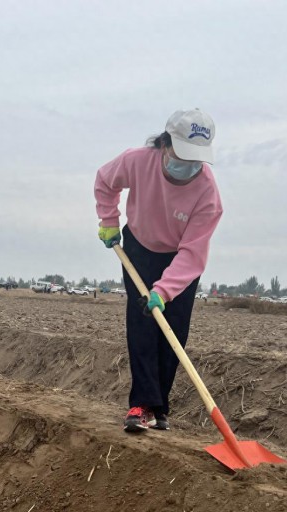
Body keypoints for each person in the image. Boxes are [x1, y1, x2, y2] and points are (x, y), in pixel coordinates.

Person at [94, 108, 223, 433]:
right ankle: (140, 405)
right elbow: (105, 181)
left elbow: (193, 254)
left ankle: (158, 408)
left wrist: (163, 291)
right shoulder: (137, 161)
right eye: (182, 154)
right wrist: (109, 220)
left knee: (173, 332)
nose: (189, 165)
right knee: (143, 326)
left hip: (179, 262)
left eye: (196, 159)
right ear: (165, 144)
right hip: (139, 248)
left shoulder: (208, 194)